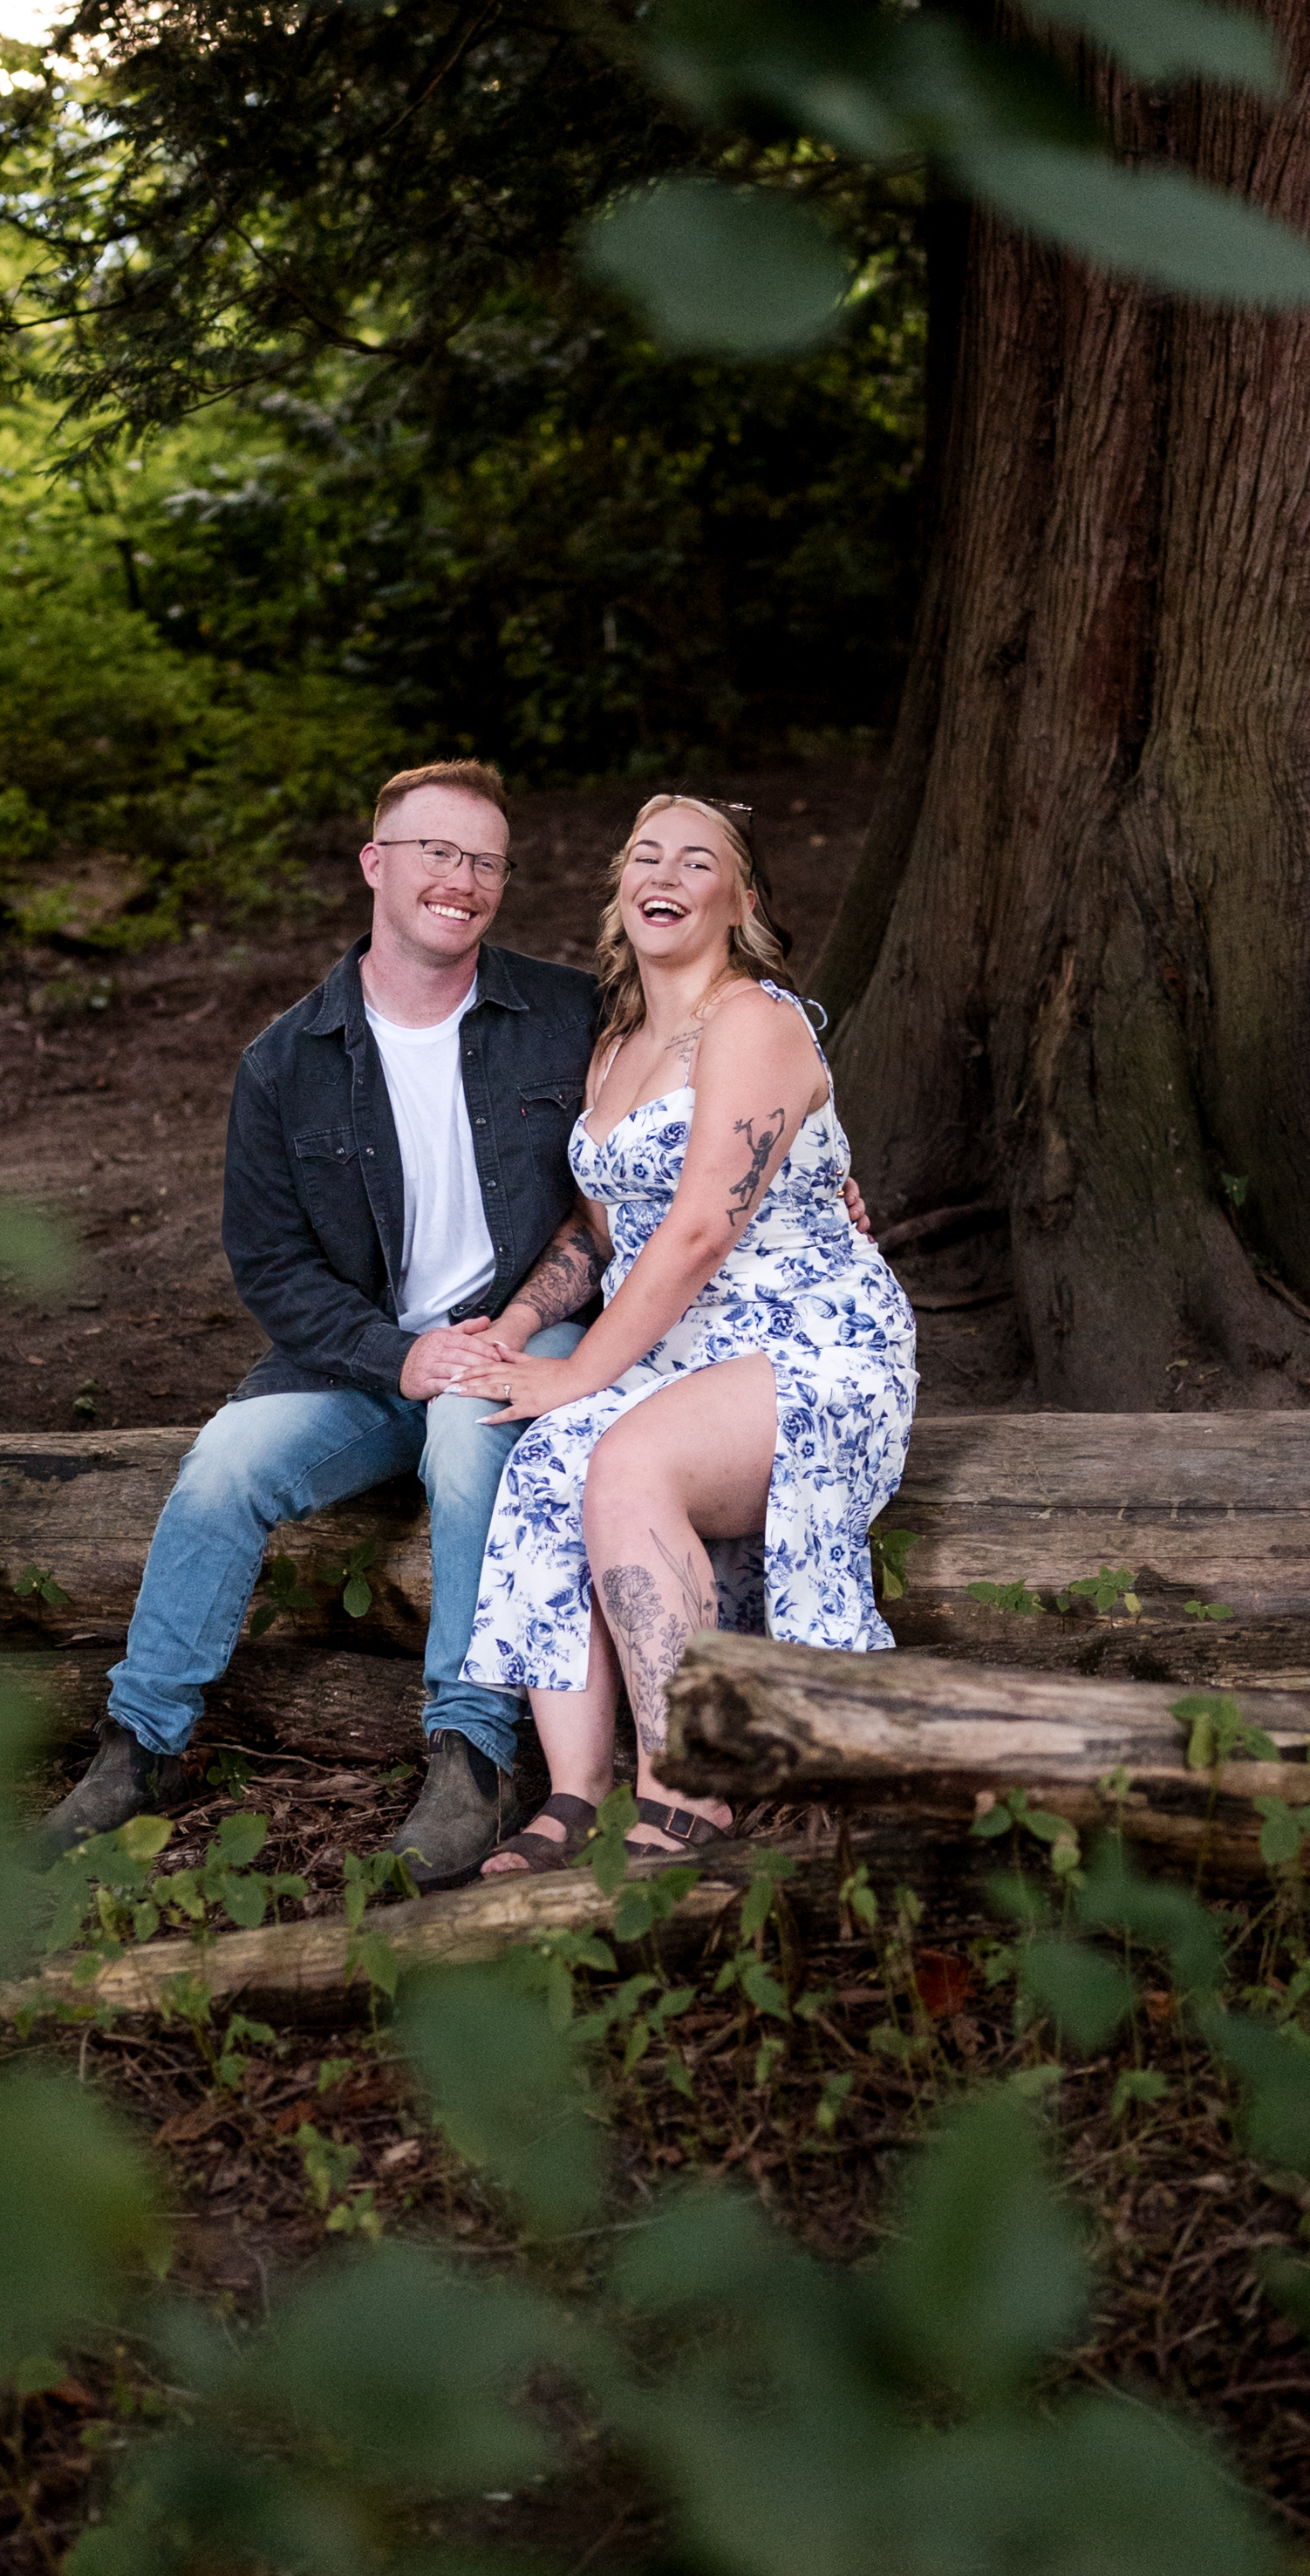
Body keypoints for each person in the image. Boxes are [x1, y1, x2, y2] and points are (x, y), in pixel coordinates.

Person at [36, 759, 604, 1885]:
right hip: (364, 1359)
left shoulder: (566, 1014)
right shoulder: (286, 1061)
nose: (462, 879)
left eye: (486, 862)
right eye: (437, 852)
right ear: (374, 863)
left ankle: (472, 1755)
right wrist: (401, 1355)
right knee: (222, 1465)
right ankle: (138, 1748)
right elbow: (273, 1267)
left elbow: (694, 1078)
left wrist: (809, 1158)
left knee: (470, 1432)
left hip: (522, 1336)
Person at [447, 792, 916, 1876]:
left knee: (626, 1459)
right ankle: (573, 1795)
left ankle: (688, 1792)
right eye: (646, 856)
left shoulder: (758, 1022)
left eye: (697, 862)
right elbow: (602, 1232)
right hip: (678, 1351)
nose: (664, 875)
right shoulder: (616, 1046)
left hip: (811, 1343)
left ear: (741, 901)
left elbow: (703, 1225)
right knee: (549, 1463)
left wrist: (579, 1373)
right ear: (621, 886)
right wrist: (513, 1332)